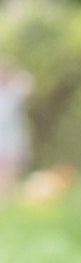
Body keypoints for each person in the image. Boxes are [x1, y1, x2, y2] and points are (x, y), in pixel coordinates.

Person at [0, 64, 34, 194]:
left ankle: (9, 198)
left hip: (13, 143)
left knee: (11, 176)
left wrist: (12, 74)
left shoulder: (14, 92)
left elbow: (27, 81)